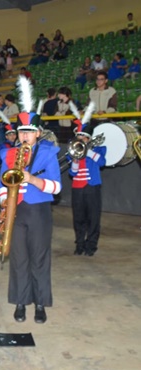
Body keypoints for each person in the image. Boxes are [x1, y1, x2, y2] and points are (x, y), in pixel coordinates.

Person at [0, 77, 62, 324]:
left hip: (39, 212)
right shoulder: (9, 153)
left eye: (29, 132)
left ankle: (40, 304)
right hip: (17, 212)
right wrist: (5, 207)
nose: (24, 136)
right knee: (19, 259)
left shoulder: (48, 153)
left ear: (38, 133)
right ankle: (20, 303)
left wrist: (32, 179)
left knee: (39, 258)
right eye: (21, 132)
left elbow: (57, 187)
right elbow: (2, 185)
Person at [68, 103, 106, 256]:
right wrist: (76, 161)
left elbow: (102, 162)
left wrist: (89, 152)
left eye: (83, 136)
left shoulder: (98, 149)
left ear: (88, 138)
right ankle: (80, 244)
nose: (80, 139)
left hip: (92, 187)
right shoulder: (74, 151)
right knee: (78, 218)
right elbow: (72, 173)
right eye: (79, 136)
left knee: (93, 218)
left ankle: (91, 246)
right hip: (77, 187)